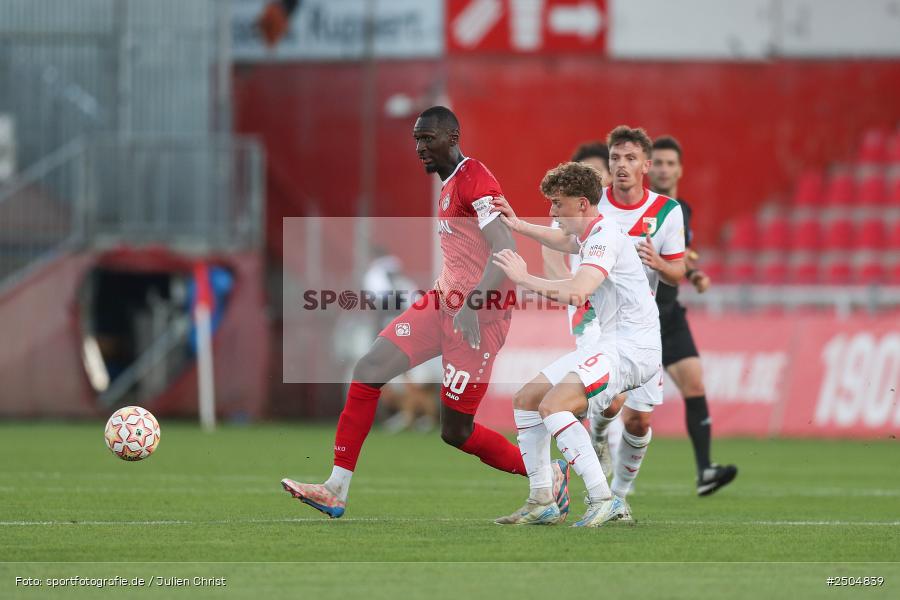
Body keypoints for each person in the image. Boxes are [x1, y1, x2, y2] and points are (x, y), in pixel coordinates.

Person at [281, 106, 567, 518]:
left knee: (456, 432)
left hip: (478, 321)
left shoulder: (475, 180)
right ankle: (336, 488)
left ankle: (546, 473)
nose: (419, 148)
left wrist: (472, 305)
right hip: (439, 305)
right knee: (369, 369)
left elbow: (506, 249)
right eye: (416, 139)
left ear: (452, 138)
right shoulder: (450, 183)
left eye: (427, 138)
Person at [490, 161, 661, 526]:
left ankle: (604, 499)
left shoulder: (604, 238)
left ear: (582, 204)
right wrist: (518, 225)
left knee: (554, 407)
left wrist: (524, 278)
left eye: (557, 204)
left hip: (633, 349)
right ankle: (542, 500)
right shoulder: (591, 232)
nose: (552, 212)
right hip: (611, 344)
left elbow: (578, 291)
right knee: (527, 399)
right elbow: (565, 240)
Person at [648, 135, 737, 495]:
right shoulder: (637, 207)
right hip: (636, 316)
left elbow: (679, 254)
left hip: (669, 313)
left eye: (670, 163)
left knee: (694, 384)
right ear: (646, 167)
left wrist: (694, 273)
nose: (664, 169)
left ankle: (705, 472)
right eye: (658, 162)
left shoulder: (682, 210)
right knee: (621, 407)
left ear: (680, 169)